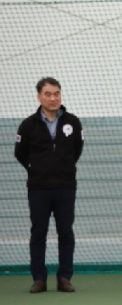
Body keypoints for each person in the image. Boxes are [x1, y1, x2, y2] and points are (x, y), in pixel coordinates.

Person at [15, 77, 84, 293]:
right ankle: (39, 279)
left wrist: (62, 169)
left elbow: (77, 151)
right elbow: (20, 154)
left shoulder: (73, 122)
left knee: (65, 232)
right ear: (39, 97)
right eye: (48, 94)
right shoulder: (27, 125)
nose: (53, 98)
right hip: (38, 189)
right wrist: (37, 170)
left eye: (56, 93)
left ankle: (64, 278)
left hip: (65, 188)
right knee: (38, 233)